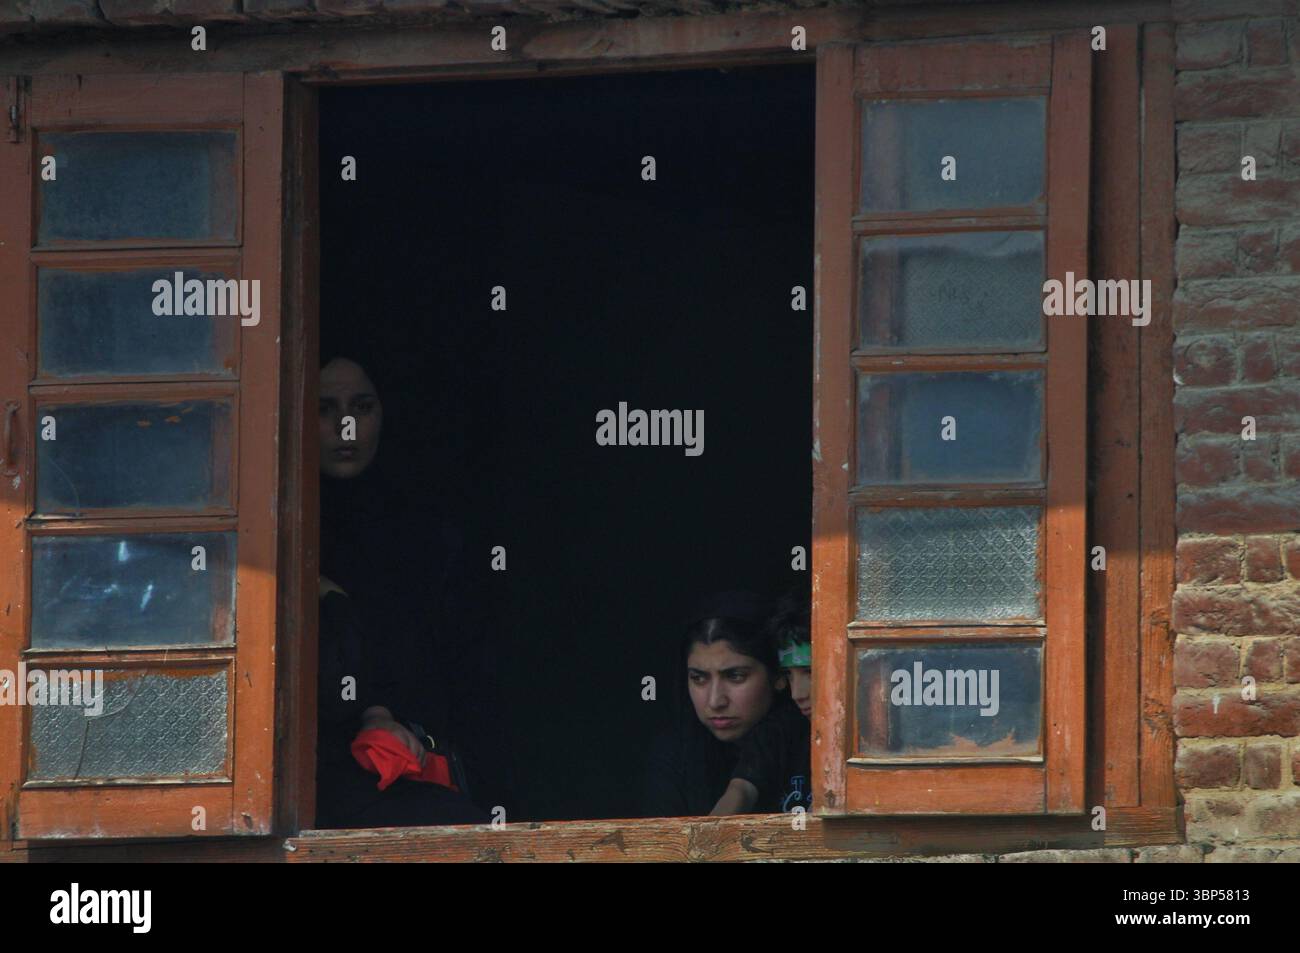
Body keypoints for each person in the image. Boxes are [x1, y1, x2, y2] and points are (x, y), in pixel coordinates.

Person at [316, 356, 489, 827]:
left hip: (413, 764)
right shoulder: (274, 533)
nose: (345, 427)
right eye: (324, 409)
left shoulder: (427, 539)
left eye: (361, 407)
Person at [641, 591, 798, 817]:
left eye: (735, 676)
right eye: (699, 678)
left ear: (778, 676)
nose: (715, 701)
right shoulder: (676, 756)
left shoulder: (813, 745)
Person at [709, 590, 812, 816]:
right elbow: (742, 790)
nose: (797, 693)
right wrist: (707, 840)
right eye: (789, 675)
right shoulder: (780, 730)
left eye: (810, 672)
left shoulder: (875, 733)